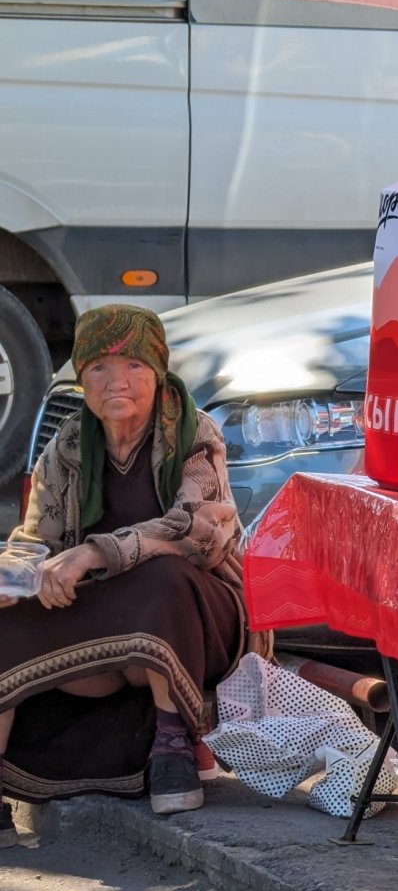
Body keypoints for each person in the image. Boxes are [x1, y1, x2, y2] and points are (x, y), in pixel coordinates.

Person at [0, 305, 260, 840]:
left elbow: (197, 534)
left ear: (157, 373)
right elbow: (34, 540)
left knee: (161, 579)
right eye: (98, 367)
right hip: (103, 622)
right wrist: (13, 576)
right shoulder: (69, 444)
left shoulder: (194, 432)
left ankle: (172, 746)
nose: (116, 381)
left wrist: (93, 554)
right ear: (81, 378)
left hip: (202, 617)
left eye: (133, 366)